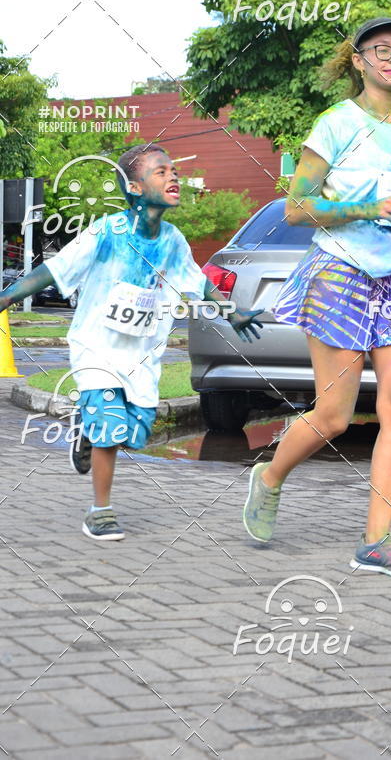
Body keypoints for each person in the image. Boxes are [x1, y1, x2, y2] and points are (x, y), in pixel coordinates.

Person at [243, 17, 391, 578]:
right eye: (383, 50)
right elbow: (297, 207)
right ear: (359, 60)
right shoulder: (336, 123)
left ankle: (376, 543)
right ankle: (270, 476)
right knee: (335, 416)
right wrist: (365, 209)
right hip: (341, 271)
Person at [0, 144, 263, 541]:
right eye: (161, 172)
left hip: (141, 355)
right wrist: (6, 297)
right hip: (96, 347)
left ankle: (86, 430)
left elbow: (197, 281)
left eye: (174, 170)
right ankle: (100, 511)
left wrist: (232, 311)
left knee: (136, 434)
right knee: (109, 425)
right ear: (136, 188)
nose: (173, 176)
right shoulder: (107, 232)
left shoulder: (173, 240)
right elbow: (54, 270)